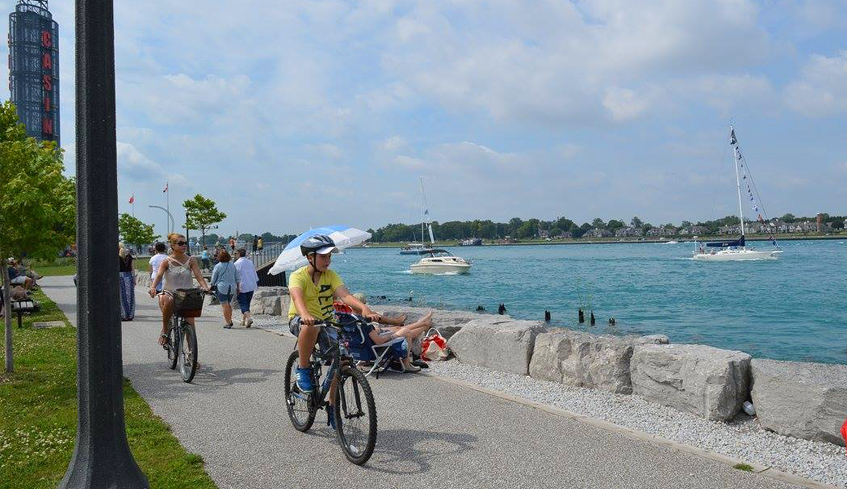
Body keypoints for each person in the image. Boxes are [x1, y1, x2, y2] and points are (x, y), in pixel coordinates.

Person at [288, 235, 379, 395]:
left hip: (327, 322)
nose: (327, 260)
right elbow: (297, 297)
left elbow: (345, 295)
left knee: (342, 362)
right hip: (301, 320)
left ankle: (332, 409)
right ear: (310, 257)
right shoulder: (298, 276)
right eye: (323, 256)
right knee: (312, 326)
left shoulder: (331, 275)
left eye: (329, 256)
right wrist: (305, 314)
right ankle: (303, 368)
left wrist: (364, 308)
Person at [150, 233, 210, 346]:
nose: (184, 245)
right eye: (181, 243)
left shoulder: (191, 260)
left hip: (186, 295)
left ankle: (192, 357)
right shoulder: (166, 261)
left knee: (190, 324)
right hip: (169, 293)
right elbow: (158, 275)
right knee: (169, 300)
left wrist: (205, 286)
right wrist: (153, 287)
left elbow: (198, 276)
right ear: (172, 246)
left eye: (185, 243)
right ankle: (165, 331)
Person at [211, 249, 239, 328]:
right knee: (228, 304)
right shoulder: (232, 265)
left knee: (225, 305)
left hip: (222, 287)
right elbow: (237, 276)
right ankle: (230, 319)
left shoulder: (218, 266)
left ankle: (228, 322)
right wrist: (238, 286)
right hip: (232, 287)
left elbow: (213, 278)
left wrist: (211, 285)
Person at [234, 248, 259, 327]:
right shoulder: (250, 262)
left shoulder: (237, 264)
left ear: (238, 254)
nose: (235, 255)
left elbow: (235, 276)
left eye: (235, 253)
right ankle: (243, 320)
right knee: (247, 303)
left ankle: (248, 318)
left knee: (242, 303)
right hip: (251, 284)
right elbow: (254, 273)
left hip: (242, 286)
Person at [118, 244, 136, 320]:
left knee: (122, 296)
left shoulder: (117, 257)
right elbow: (132, 268)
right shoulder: (129, 257)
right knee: (130, 296)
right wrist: (134, 278)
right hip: (129, 276)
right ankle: (130, 315)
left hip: (120, 276)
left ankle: (124, 315)